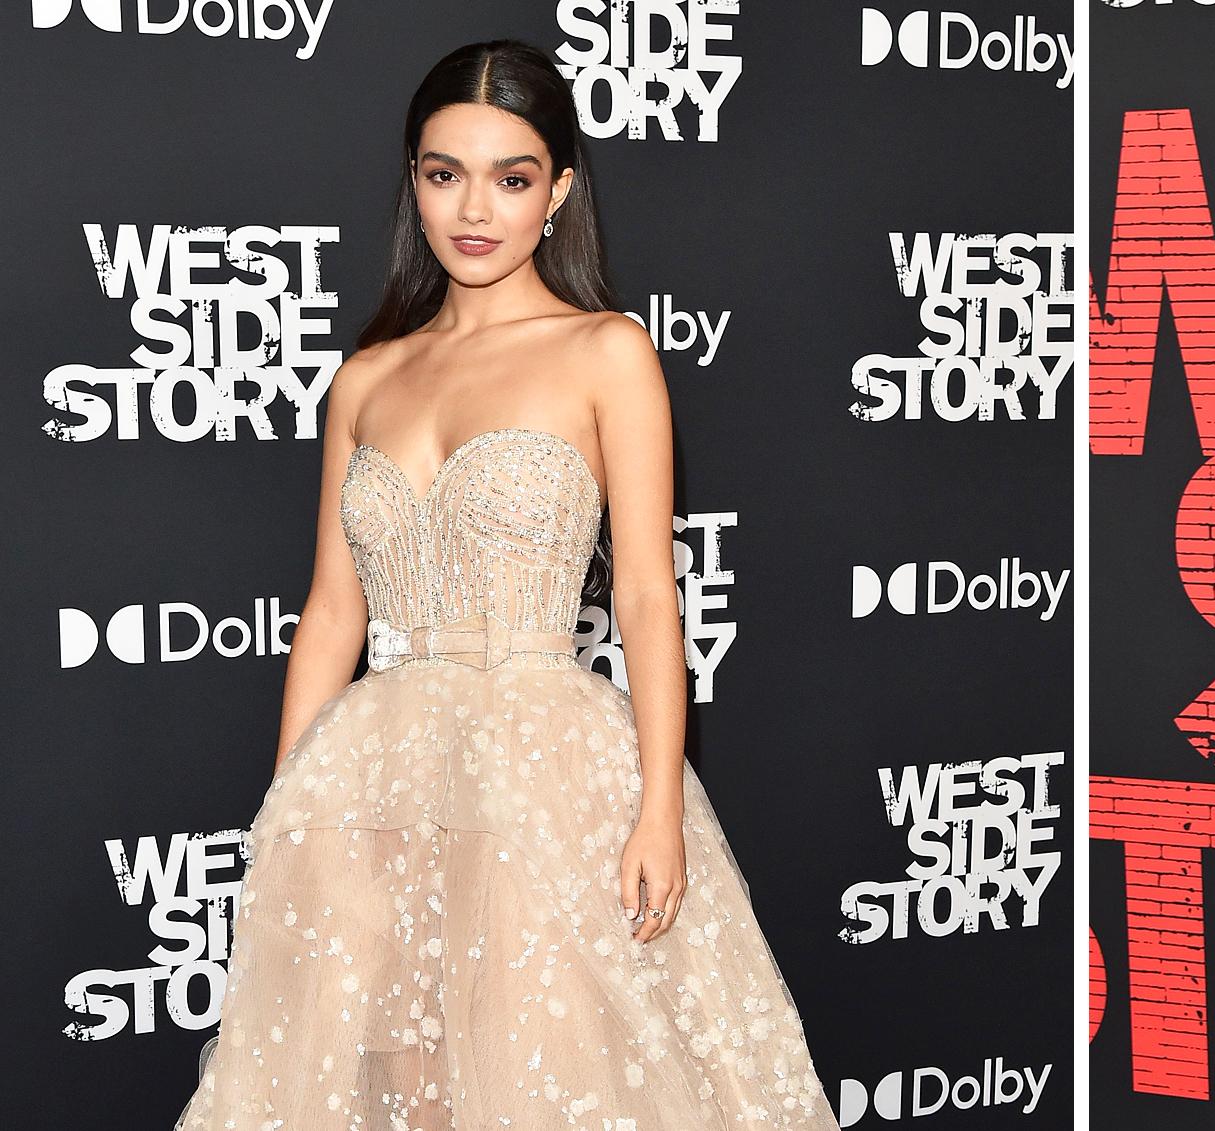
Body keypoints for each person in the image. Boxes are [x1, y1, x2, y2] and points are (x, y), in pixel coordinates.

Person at [176, 40, 840, 1129]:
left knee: (542, 1069)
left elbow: (642, 602)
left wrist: (659, 809)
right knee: (401, 1078)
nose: (473, 207)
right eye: (444, 174)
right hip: (375, 785)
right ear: (414, 183)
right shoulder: (366, 376)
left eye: (512, 176)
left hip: (547, 782)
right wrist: (289, 813)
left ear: (560, 190)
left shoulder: (606, 353)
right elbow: (334, 612)